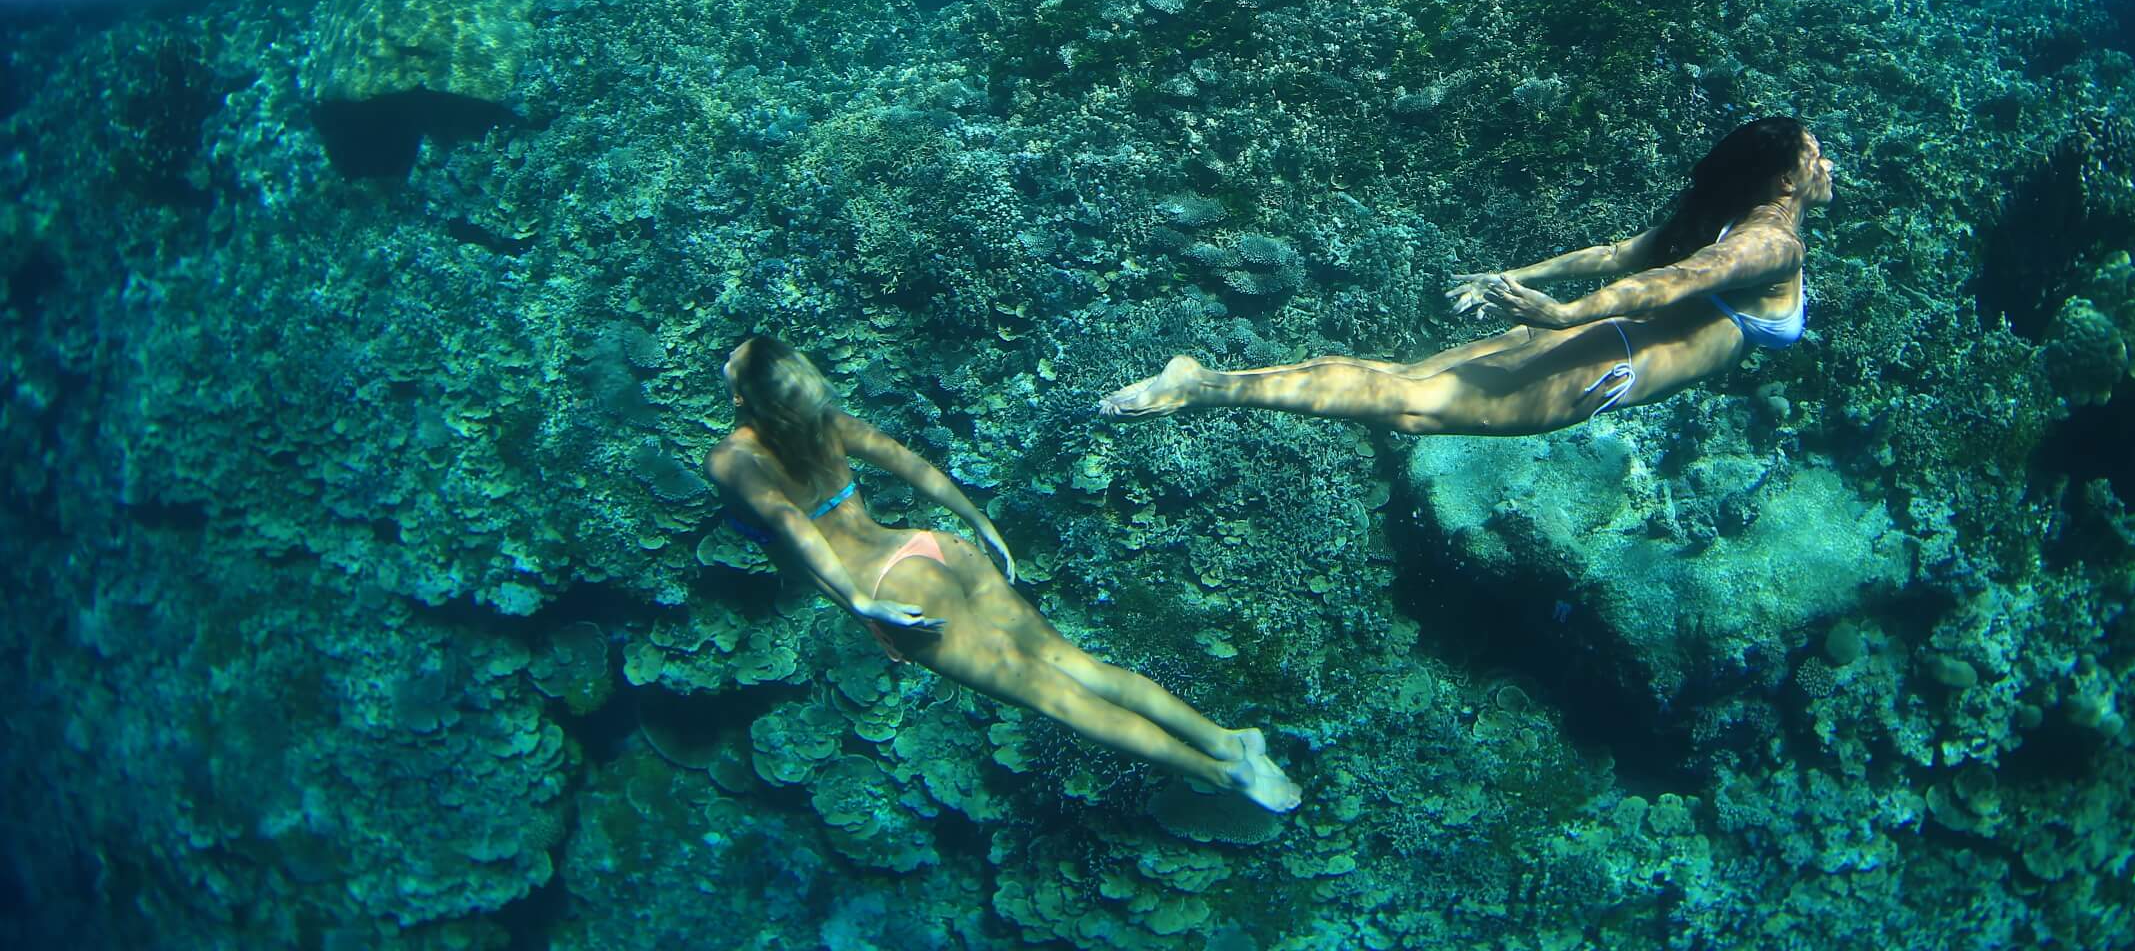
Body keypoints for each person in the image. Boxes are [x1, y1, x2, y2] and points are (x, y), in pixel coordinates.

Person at [707, 336, 1299, 812]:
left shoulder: (732, 459)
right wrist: (975, 518)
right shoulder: (825, 421)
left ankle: (1223, 776)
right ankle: (1228, 741)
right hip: (933, 547)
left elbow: (791, 525)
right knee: (1077, 667)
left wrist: (861, 599)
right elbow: (909, 463)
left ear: (745, 402)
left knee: (1057, 698)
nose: (732, 355)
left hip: (893, 588)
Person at [1099, 117, 1832, 437]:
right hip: (1611, 361)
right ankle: (1202, 386)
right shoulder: (1771, 244)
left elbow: (1619, 256)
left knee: (1405, 380)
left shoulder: (1731, 218)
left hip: (1603, 338)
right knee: (1409, 406)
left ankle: (1206, 382)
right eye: (1814, 157)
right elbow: (1670, 283)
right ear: (1783, 180)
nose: (1826, 165)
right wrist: (1557, 312)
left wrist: (1522, 278)